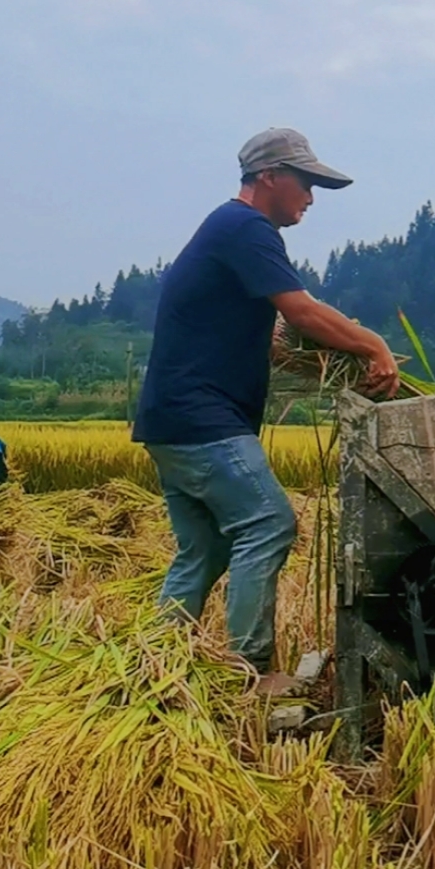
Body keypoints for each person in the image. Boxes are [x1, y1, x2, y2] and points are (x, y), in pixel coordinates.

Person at [133, 127, 399, 695]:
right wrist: (372, 345)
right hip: (202, 420)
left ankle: (153, 661)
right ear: (270, 177)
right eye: (305, 182)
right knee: (268, 522)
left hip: (169, 421)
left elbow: (271, 326)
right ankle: (251, 672)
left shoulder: (226, 229)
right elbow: (300, 312)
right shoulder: (246, 227)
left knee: (204, 549)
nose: (311, 196)